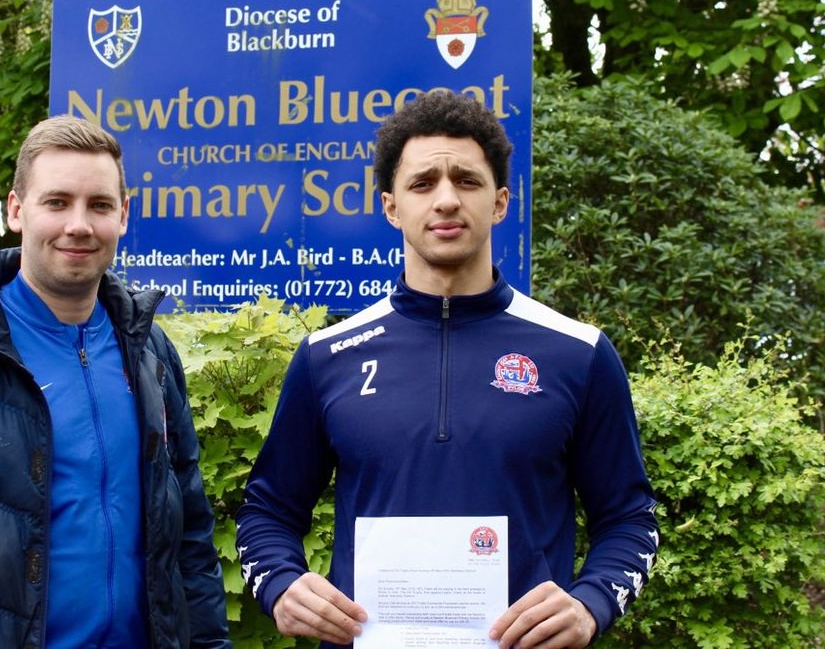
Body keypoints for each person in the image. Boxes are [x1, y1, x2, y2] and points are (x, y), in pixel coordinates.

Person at [235, 91, 659, 648]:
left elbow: (631, 518)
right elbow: (266, 512)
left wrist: (591, 603)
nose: (446, 200)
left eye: (466, 180)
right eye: (422, 183)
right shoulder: (327, 357)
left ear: (501, 201)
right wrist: (282, 586)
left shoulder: (578, 353)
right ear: (391, 206)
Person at [0, 115, 231, 648]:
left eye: (99, 205)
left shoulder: (151, 354)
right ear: (16, 210)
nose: (79, 225)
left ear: (123, 216)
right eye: (57, 202)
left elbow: (190, 543)